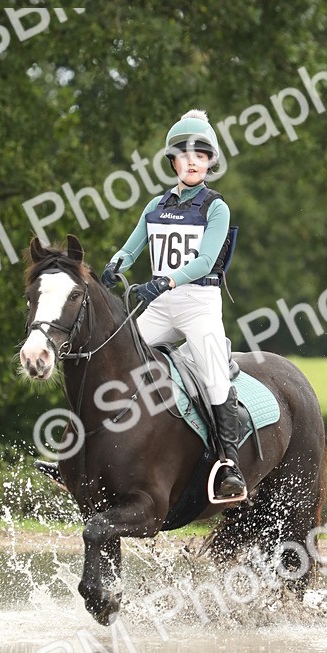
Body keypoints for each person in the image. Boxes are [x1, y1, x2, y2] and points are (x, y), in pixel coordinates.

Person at [101, 109, 246, 501]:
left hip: (198, 304)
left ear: (211, 161)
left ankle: (230, 466)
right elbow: (133, 247)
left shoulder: (216, 207)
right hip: (161, 304)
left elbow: (203, 261)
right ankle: (90, 450)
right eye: (185, 154)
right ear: (173, 161)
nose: (193, 160)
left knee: (214, 374)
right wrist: (114, 266)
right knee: (116, 356)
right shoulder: (156, 205)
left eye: (201, 154)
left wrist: (165, 279)